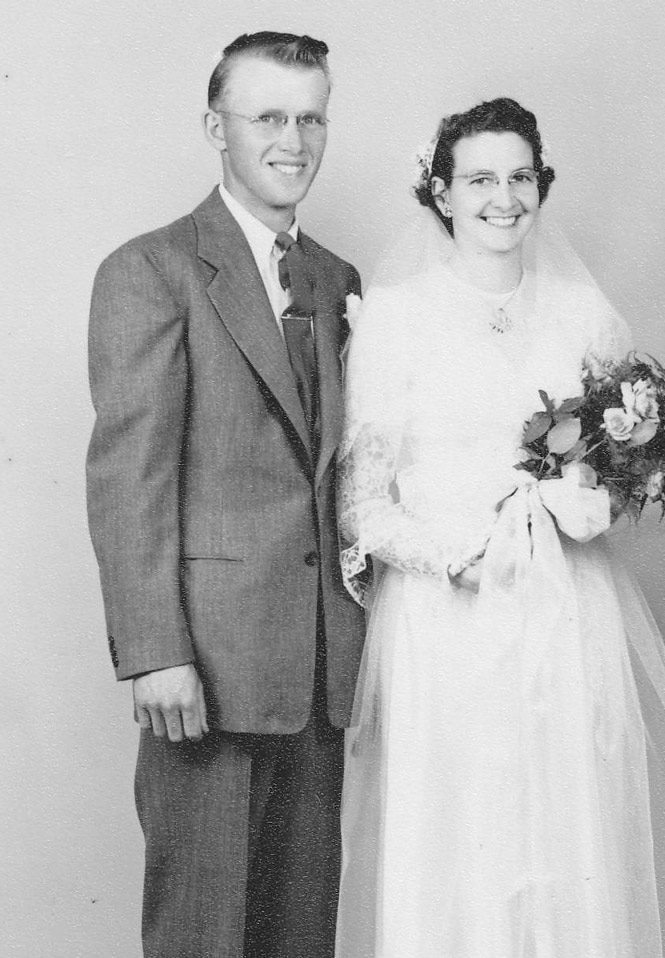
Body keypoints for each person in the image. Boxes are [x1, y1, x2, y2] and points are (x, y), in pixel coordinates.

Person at [334, 98, 665, 957]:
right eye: (480, 178)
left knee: (566, 834)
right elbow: (362, 506)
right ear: (441, 192)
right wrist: (458, 556)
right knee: (458, 842)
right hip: (448, 619)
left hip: (565, 610)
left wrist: (593, 498)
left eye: (521, 176)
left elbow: (623, 458)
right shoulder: (397, 317)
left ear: (541, 186)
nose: (503, 198)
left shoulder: (580, 316)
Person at [86, 31, 365, 958]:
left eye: (311, 116)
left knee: (300, 938)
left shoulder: (338, 282)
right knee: (203, 937)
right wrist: (156, 653)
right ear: (217, 127)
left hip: (325, 678)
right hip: (205, 672)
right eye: (269, 117)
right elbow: (131, 477)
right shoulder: (152, 269)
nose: (294, 139)